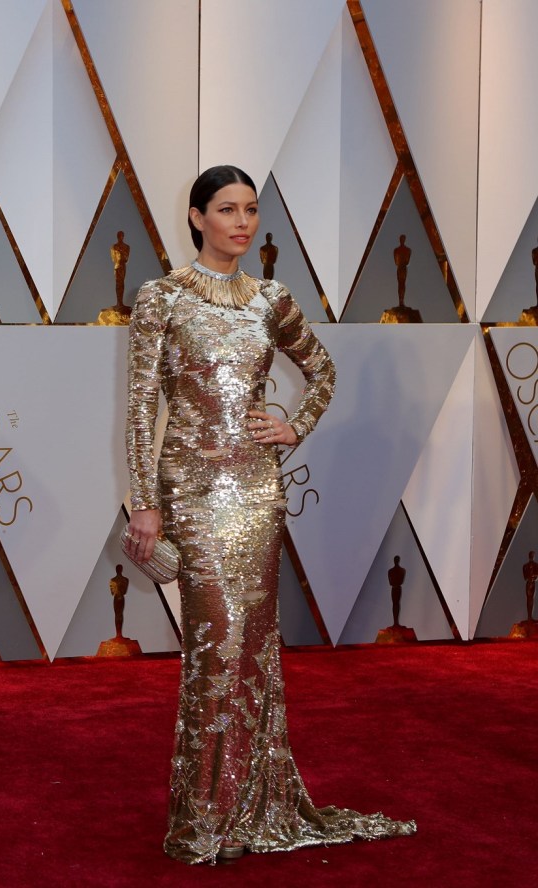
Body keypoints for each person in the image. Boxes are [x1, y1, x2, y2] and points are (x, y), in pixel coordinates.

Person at [125, 165, 416, 865]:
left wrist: (294, 426)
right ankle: (205, 821)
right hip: (190, 494)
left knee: (252, 651)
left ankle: (249, 809)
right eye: (227, 209)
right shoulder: (161, 297)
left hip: (255, 494)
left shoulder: (270, 300)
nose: (242, 222)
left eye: (251, 209)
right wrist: (144, 504)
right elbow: (141, 407)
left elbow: (323, 370)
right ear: (196, 218)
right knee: (211, 649)